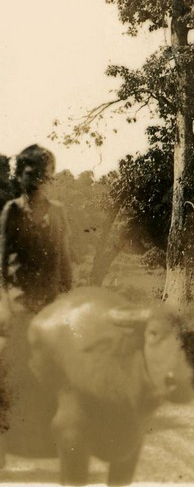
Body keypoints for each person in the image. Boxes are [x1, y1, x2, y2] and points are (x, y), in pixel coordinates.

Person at [0, 144, 72, 464]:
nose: (36, 182)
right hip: (18, 304)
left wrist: (71, 299)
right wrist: (5, 304)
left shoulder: (58, 213)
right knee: (8, 367)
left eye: (44, 176)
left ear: (50, 178)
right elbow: (2, 265)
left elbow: (65, 260)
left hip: (50, 305)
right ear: (19, 176)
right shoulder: (12, 211)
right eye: (30, 175)